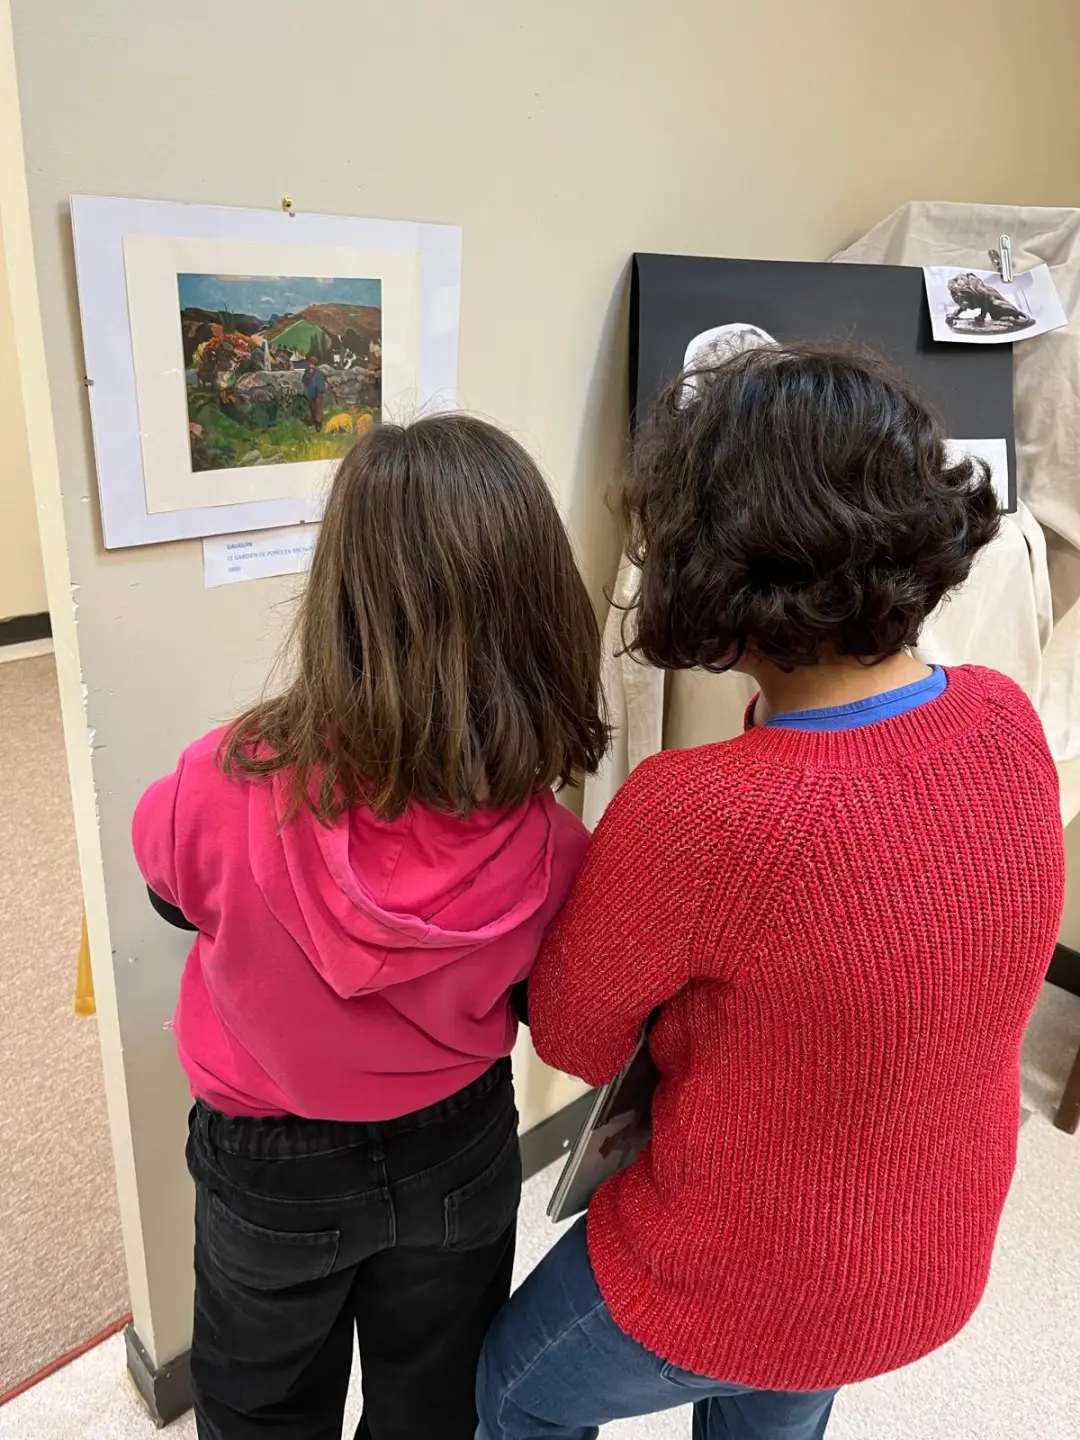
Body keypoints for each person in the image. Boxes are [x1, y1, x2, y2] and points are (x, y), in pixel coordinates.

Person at [477, 346, 1065, 1440]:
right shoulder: (1003, 718)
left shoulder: (702, 812)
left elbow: (573, 1035)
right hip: (931, 1258)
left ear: (713, 565)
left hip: (743, 1271)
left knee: (514, 1395)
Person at [132, 414, 607, 1440]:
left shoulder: (218, 780)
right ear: (539, 614)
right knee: (433, 1408)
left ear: (339, 597)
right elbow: (546, 1001)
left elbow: (171, 893)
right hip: (459, 1152)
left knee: (258, 1409)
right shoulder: (555, 848)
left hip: (269, 1167)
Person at [302, 352, 326, 427]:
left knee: (318, 408)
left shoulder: (319, 373)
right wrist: (308, 375)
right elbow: (304, 381)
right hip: (310, 393)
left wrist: (320, 391)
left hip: (318, 393)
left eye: (313, 364)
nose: (311, 365)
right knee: (312, 407)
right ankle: (313, 419)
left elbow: (321, 383)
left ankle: (319, 422)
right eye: (310, 363)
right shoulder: (307, 372)